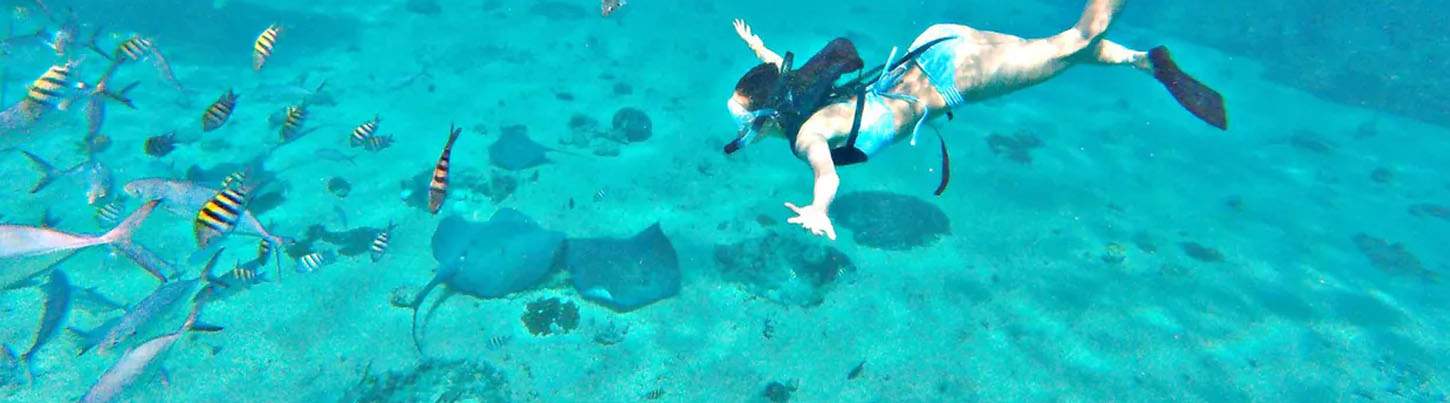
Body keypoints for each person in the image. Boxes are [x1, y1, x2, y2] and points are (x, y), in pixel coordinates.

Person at [725, 0, 1226, 240]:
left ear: (766, 117)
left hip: (952, 78)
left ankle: (1123, 35)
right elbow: (775, 65)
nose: (745, 136)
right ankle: (1145, 62)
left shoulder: (806, 134)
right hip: (935, 46)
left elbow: (827, 175)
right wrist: (754, 45)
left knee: (1071, 40)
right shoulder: (792, 94)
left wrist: (819, 210)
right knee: (1044, 50)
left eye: (745, 127)